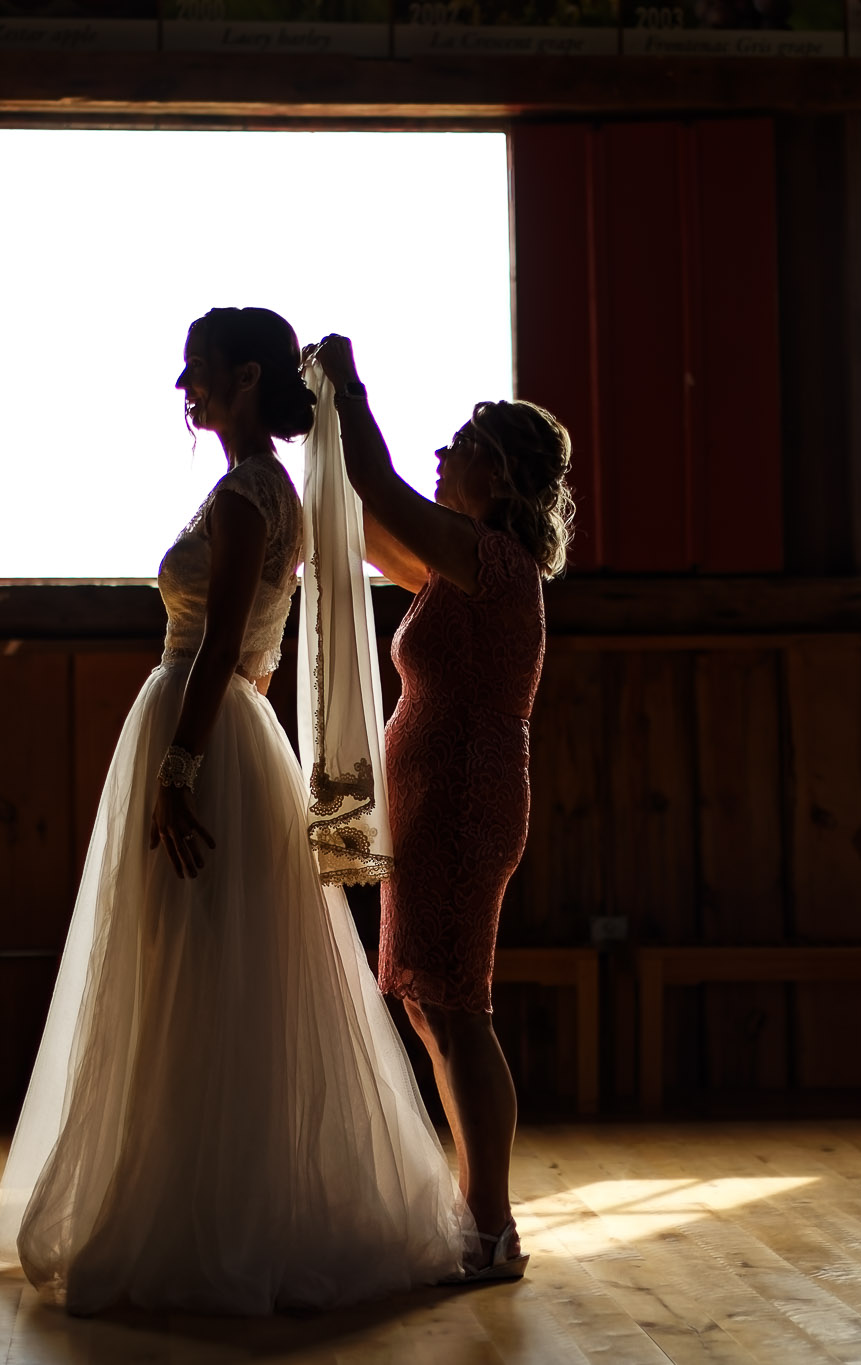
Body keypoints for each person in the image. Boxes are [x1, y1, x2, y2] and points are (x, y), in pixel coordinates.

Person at [0, 308, 465, 1315]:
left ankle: (212, 1216)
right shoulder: (255, 490)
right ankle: (191, 1191)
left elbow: (218, 648)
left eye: (197, 370)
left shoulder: (252, 494)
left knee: (202, 959)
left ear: (246, 377)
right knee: (191, 962)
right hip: (221, 729)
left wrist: (176, 769)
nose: (183, 387)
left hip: (208, 736)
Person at [308, 333, 573, 1284]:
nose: (440, 454)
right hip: (435, 789)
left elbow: (382, 492)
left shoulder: (492, 560)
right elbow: (370, 527)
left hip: (462, 793)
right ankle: (477, 1211)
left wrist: (347, 389)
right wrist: (326, 449)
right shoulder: (455, 562)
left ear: (495, 474)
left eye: (457, 443)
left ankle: (492, 1223)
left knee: (459, 1005)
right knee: (431, 1000)